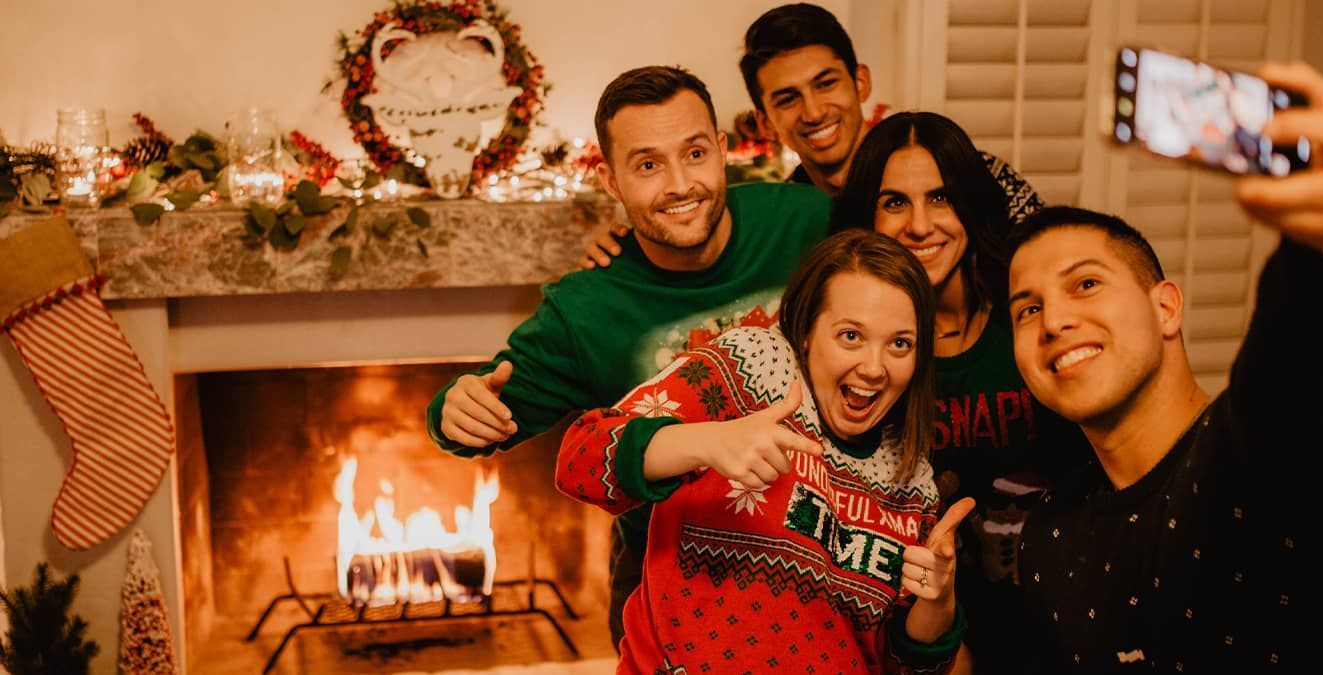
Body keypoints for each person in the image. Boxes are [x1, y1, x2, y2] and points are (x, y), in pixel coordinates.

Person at [1005, 62, 1323, 672]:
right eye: (1028, 309)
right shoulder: (1050, 540)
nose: (1053, 321)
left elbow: (1300, 367)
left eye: (1086, 284)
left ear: (1166, 307)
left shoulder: (1255, 452)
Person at [426, 65, 833, 647]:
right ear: (611, 180)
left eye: (694, 154)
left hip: (819, 568)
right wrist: (454, 410)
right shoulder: (585, 309)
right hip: (669, 590)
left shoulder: (806, 222)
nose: (678, 185)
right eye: (647, 165)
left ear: (721, 151)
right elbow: (480, 410)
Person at [557, 229, 972, 673]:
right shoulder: (751, 367)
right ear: (808, 331)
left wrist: (938, 601)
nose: (873, 367)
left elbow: (907, 666)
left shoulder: (913, 486)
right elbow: (580, 459)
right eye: (850, 336)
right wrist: (705, 442)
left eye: (899, 344)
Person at [835, 111, 1092, 673]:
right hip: (920, 632)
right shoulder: (852, 350)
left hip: (1058, 615)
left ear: (970, 205)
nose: (921, 225)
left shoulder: (1027, 316)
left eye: (942, 198)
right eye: (894, 202)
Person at [579, 2, 1042, 269]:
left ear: (860, 82)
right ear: (764, 123)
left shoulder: (965, 174)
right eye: (787, 99)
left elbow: (1052, 266)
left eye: (826, 84)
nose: (814, 111)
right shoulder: (786, 221)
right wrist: (629, 251)